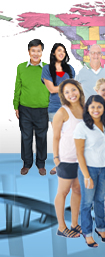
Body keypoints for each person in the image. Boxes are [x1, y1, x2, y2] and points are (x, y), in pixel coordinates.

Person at [74, 95, 105, 248]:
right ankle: (87, 233)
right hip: (88, 168)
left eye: (99, 106)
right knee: (87, 202)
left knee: (100, 200)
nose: (96, 110)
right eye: (92, 107)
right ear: (87, 109)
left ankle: (101, 229)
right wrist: (87, 176)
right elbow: (79, 153)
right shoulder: (82, 127)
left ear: (104, 108)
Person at [52, 79, 85, 238]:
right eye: (67, 92)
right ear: (63, 96)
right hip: (66, 158)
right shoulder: (62, 112)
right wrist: (56, 159)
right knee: (63, 192)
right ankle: (61, 227)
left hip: (82, 159)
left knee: (77, 190)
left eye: (73, 90)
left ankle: (74, 223)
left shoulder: (86, 109)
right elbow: (56, 137)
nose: (71, 94)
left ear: (79, 90)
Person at [14, 39, 49, 176]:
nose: (35, 53)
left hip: (42, 109)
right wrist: (16, 105)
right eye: (33, 50)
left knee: (41, 137)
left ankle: (41, 164)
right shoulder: (21, 67)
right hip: (25, 109)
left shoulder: (47, 68)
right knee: (26, 137)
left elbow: (51, 89)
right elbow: (18, 87)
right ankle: (26, 163)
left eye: (38, 51)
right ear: (29, 52)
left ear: (41, 52)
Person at [42, 43, 75, 123]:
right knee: (58, 135)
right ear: (53, 53)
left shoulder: (70, 68)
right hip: (55, 108)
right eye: (59, 50)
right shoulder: (47, 69)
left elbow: (74, 88)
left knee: (69, 134)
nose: (62, 53)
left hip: (69, 108)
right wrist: (67, 88)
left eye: (64, 51)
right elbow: (52, 89)